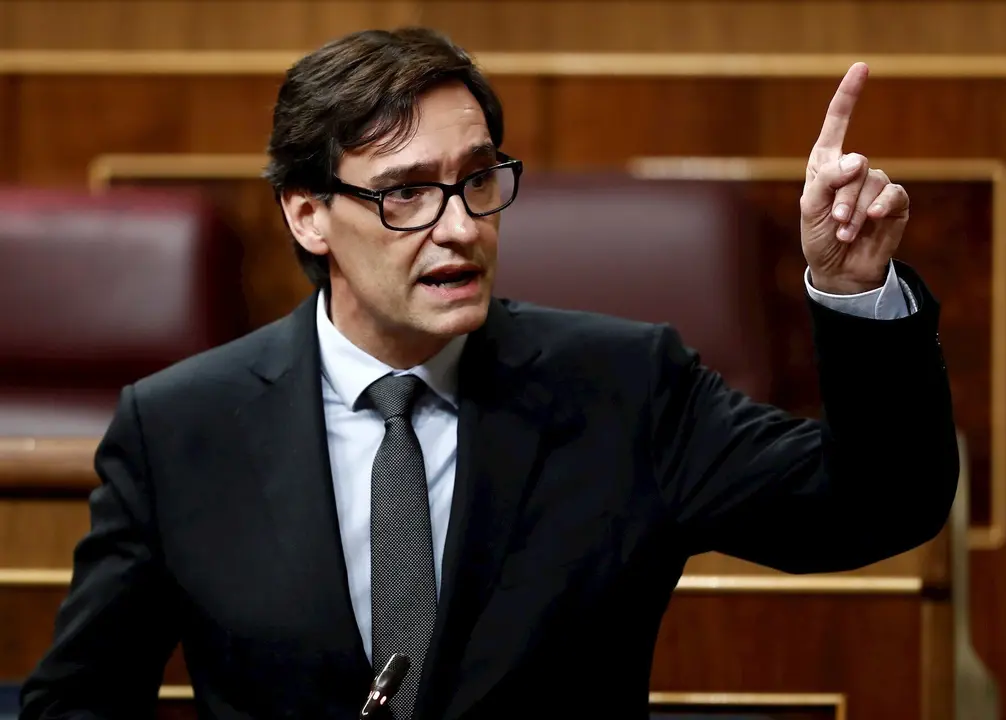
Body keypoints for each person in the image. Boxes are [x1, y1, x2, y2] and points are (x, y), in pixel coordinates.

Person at [20, 27, 958, 720]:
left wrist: (850, 292)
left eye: (477, 179)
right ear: (307, 216)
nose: (461, 224)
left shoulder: (625, 388)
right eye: (405, 194)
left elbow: (878, 503)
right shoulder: (182, 429)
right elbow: (81, 704)